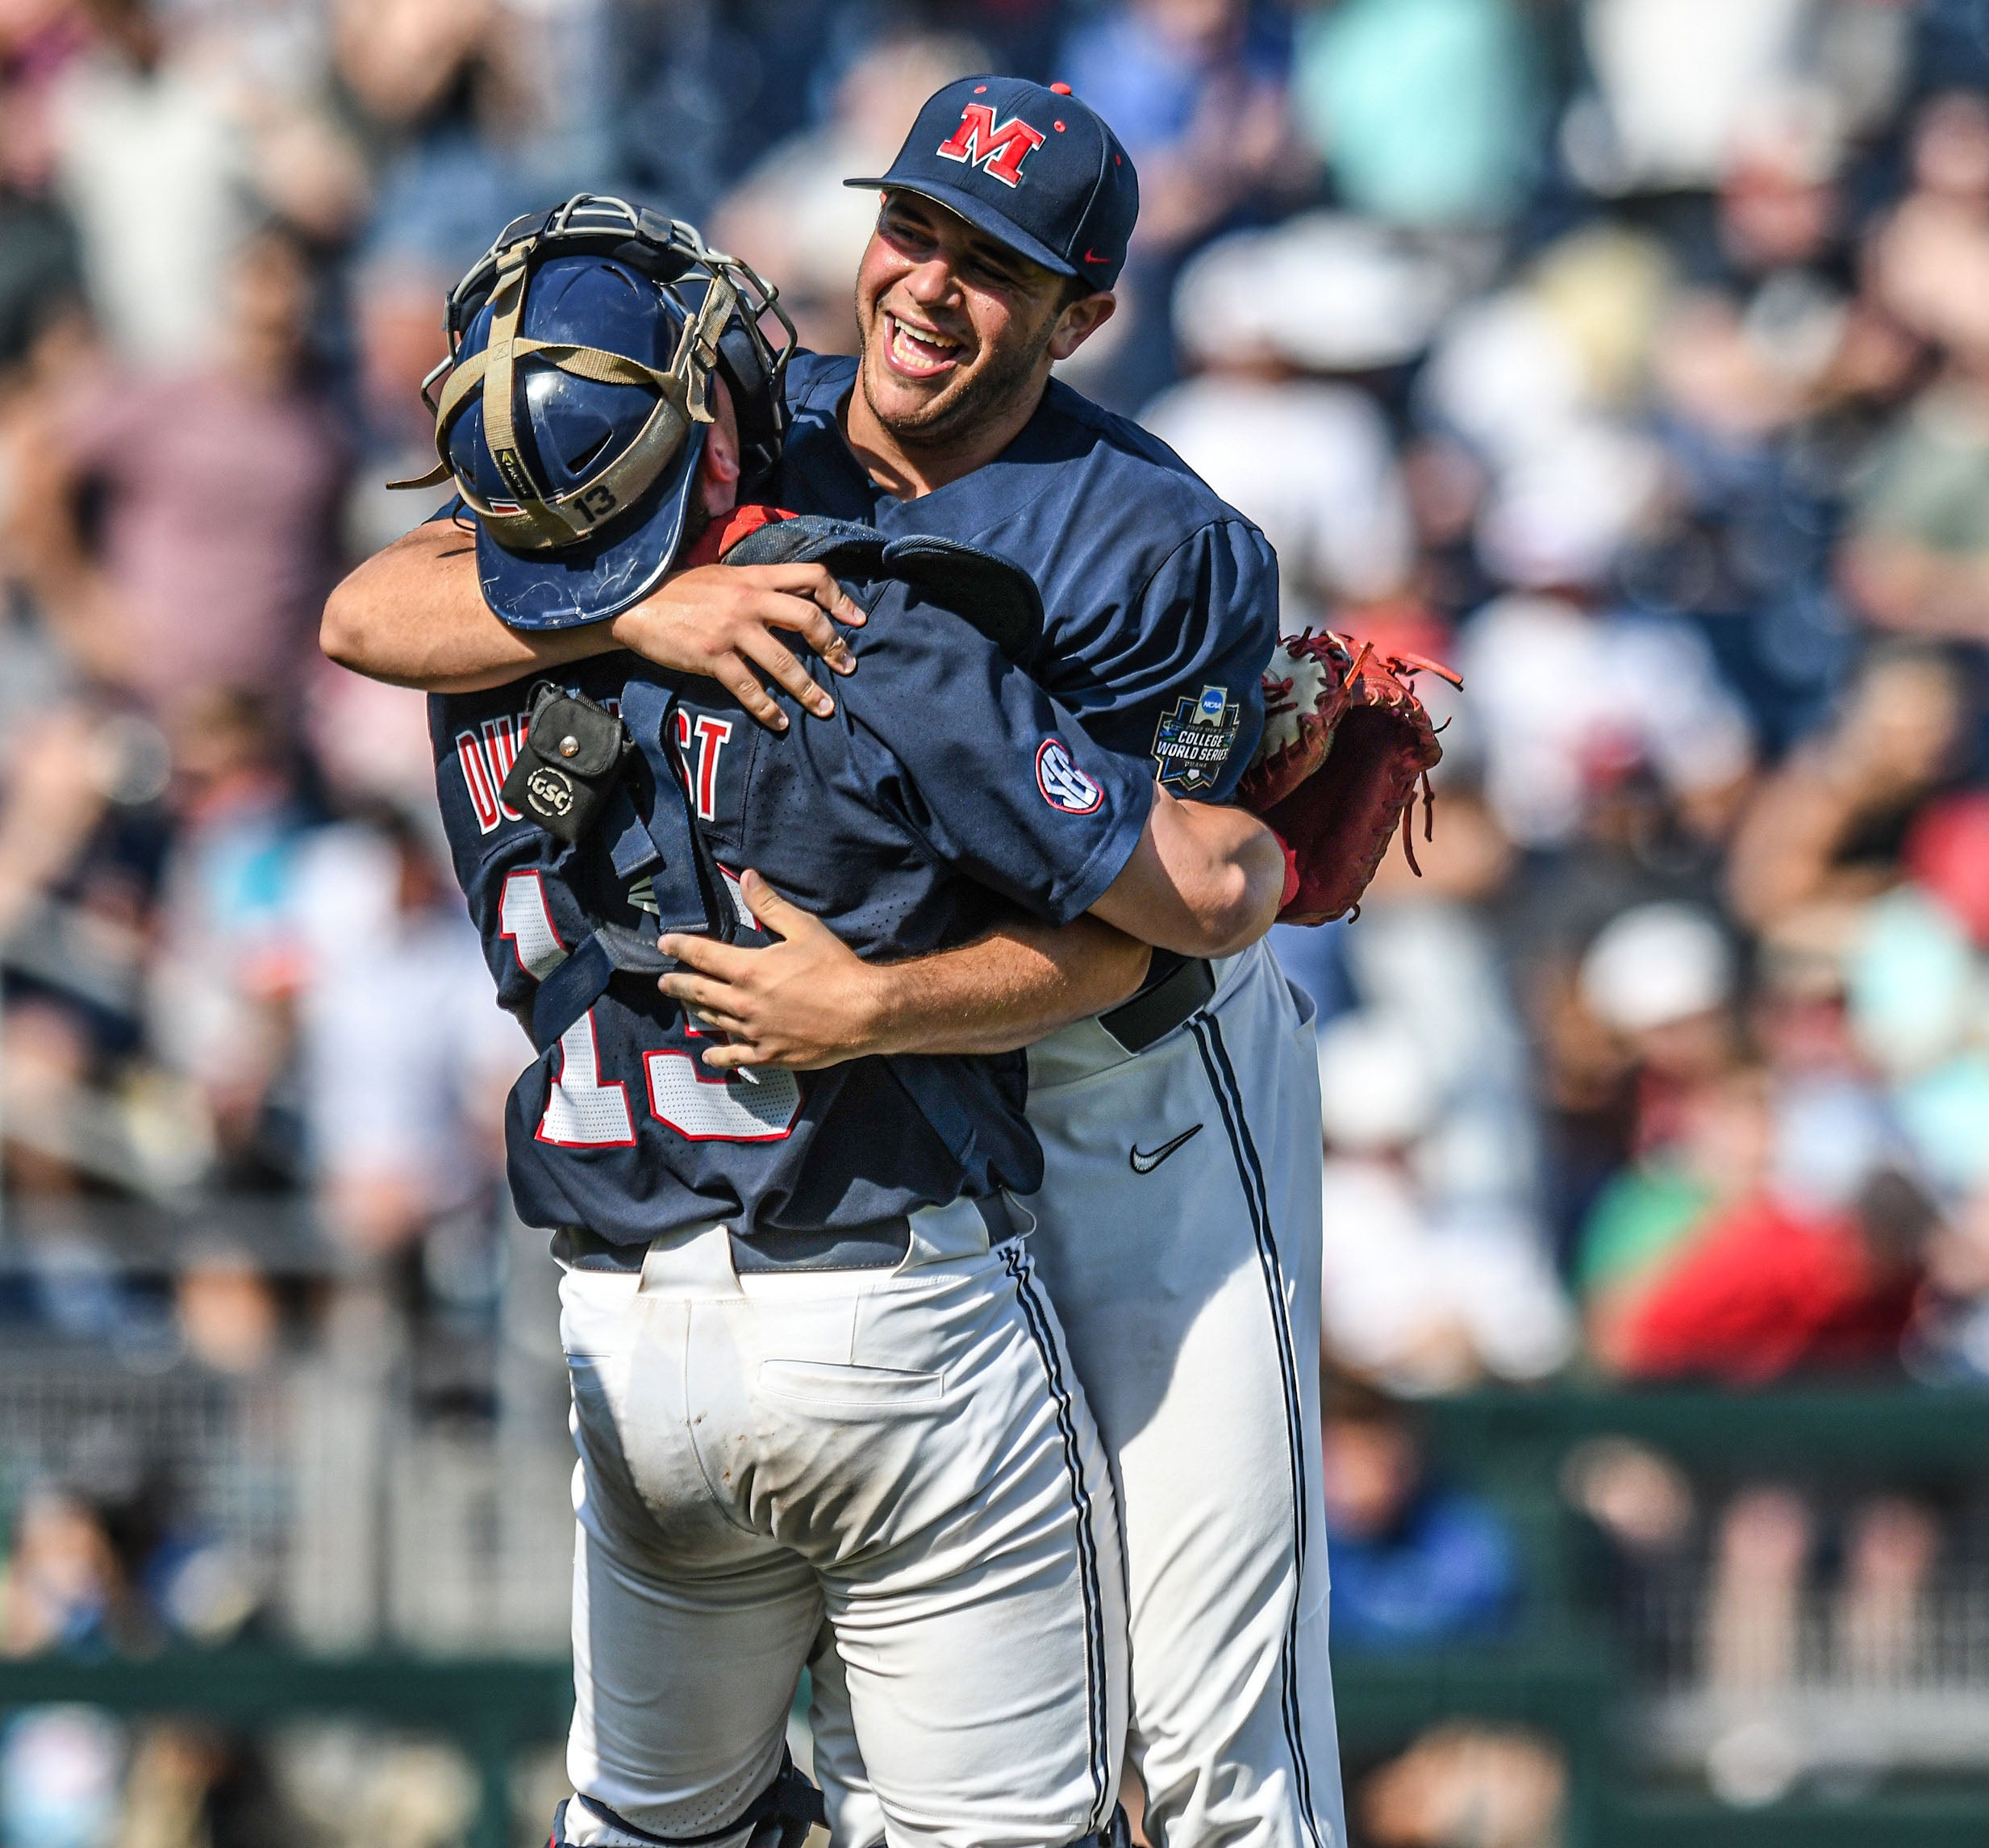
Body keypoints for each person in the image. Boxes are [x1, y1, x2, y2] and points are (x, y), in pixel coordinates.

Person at [323, 82, 1339, 1848]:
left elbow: (1144, 937)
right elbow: (367, 607)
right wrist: (639, 598)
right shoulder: (748, 420)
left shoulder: (1155, 541)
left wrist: (877, 1008)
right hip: (873, 1179)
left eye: (995, 268)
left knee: (1213, 1752)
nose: (931, 290)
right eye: (916, 232)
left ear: (1084, 310)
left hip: (1134, 1102)